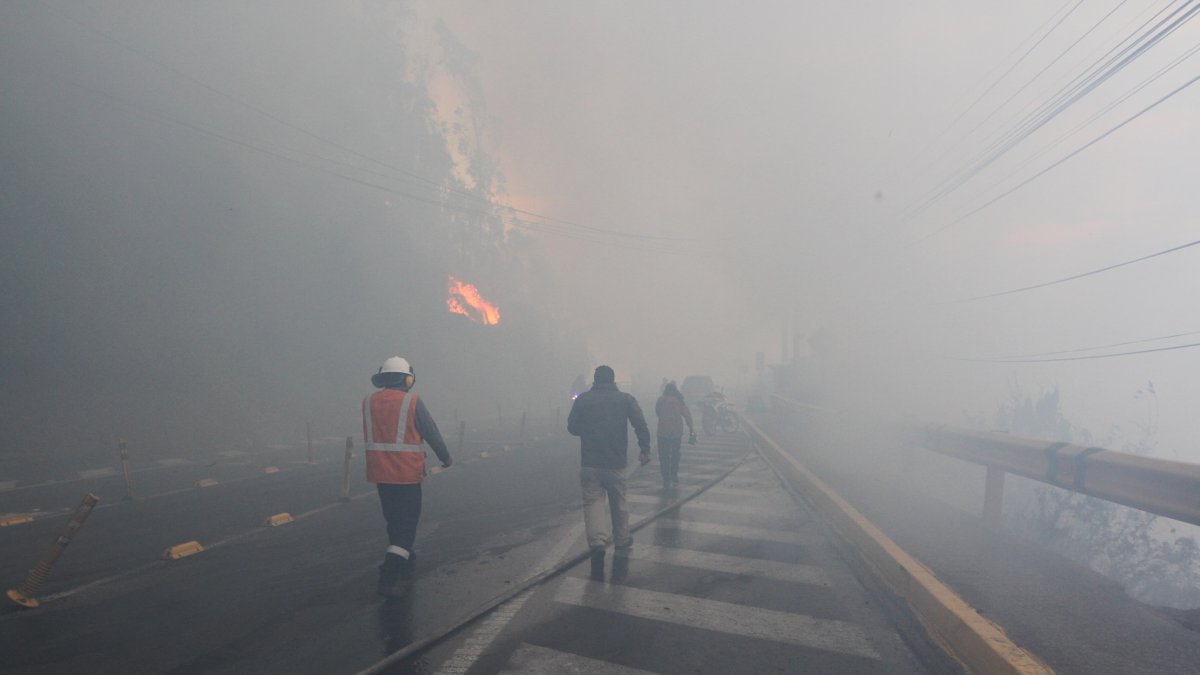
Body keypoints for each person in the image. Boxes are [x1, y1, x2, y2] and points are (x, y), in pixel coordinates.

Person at [362, 356, 452, 597]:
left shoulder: (368, 401)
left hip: (380, 475)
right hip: (406, 475)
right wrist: (445, 456)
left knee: (394, 523)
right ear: (407, 379)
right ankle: (389, 574)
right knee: (406, 529)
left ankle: (406, 564)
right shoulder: (412, 401)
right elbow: (430, 430)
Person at [567, 365, 651, 579]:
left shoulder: (583, 400)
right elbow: (640, 423)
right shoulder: (626, 399)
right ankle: (622, 539)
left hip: (590, 462)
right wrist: (645, 448)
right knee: (619, 501)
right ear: (613, 381)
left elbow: (572, 428)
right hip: (616, 462)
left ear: (594, 381)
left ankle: (597, 543)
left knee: (593, 503)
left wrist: (590, 427)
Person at [655, 381, 695, 489]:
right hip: (676, 433)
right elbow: (687, 416)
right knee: (675, 454)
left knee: (664, 455)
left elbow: (657, 412)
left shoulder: (661, 400)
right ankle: (674, 475)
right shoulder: (679, 401)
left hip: (662, 432)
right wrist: (692, 429)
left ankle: (666, 477)